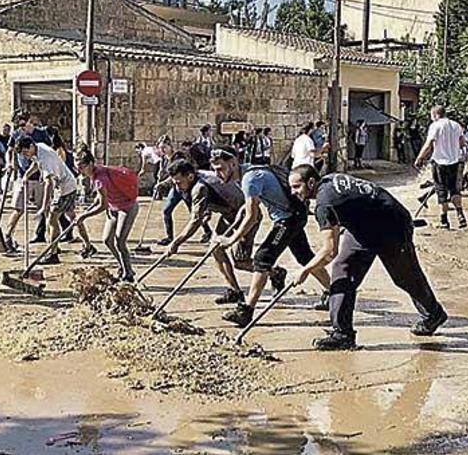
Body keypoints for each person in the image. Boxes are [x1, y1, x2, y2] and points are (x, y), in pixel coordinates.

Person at [289, 166, 449, 350]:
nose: (293, 193)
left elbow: (329, 251)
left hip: (391, 225)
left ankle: (433, 314)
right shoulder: (329, 180)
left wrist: (305, 270)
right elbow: (353, 203)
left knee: (405, 277)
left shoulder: (324, 203)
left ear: (311, 183)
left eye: (296, 187)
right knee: (343, 271)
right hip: (361, 228)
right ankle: (342, 334)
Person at [212, 146, 331, 326]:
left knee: (262, 258)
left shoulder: (249, 178)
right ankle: (333, 293)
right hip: (294, 215)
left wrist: (231, 239)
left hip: (288, 219)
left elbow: (252, 217)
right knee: (304, 257)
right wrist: (245, 207)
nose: (218, 173)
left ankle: (246, 311)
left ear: (233, 163)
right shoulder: (245, 173)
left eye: (220, 168)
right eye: (215, 170)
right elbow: (254, 201)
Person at [164, 159, 255, 304]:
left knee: (241, 262)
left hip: (246, 215)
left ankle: (275, 272)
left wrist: (176, 242)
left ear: (190, 177)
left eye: (179, 182)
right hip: (229, 214)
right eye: (174, 183)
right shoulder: (196, 179)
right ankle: (235, 291)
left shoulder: (199, 187)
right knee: (216, 249)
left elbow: (195, 221)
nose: (177, 187)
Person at [73, 148, 139, 281]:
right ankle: (123, 266)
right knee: (107, 240)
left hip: (127, 207)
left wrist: (84, 217)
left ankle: (129, 274)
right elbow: (100, 198)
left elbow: (102, 205)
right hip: (113, 208)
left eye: (82, 167)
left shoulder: (99, 179)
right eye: (77, 168)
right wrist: (86, 211)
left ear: (91, 164)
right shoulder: (96, 173)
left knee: (120, 240)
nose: (79, 171)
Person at [15, 136, 79, 264]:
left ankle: (53, 254)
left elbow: (49, 183)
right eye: (23, 154)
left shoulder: (46, 159)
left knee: (52, 218)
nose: (26, 156)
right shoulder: (38, 147)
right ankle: (63, 245)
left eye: (25, 152)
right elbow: (35, 162)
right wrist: (28, 173)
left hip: (65, 188)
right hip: (64, 185)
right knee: (70, 217)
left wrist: (44, 205)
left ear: (31, 147)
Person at [415, 105, 468, 229]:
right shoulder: (456, 125)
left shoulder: (435, 126)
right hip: (454, 162)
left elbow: (429, 144)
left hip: (440, 162)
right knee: (455, 190)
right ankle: (460, 215)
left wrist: (420, 158)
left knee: (441, 191)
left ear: (435, 114)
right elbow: (462, 143)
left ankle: (444, 220)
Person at [4, 114, 52, 246]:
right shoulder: (16, 134)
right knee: (18, 208)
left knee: (44, 209)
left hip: (40, 178)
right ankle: (7, 237)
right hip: (22, 175)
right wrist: (9, 163)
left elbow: (46, 154)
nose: (21, 128)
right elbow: (10, 151)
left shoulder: (41, 134)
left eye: (23, 124)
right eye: (18, 125)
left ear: (30, 122)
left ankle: (45, 238)